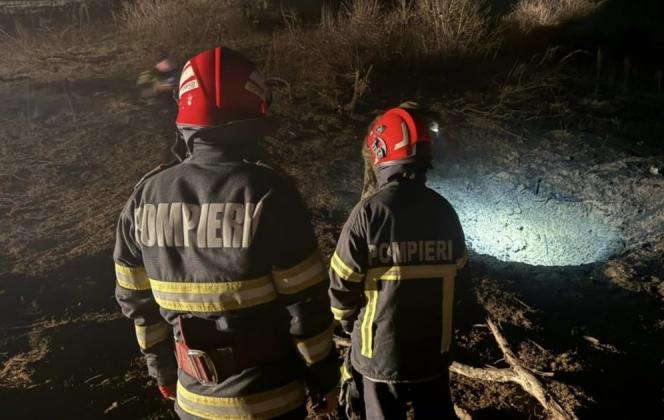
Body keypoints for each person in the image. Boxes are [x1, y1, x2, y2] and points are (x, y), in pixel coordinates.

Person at [113, 46, 339, 419]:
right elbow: (305, 304)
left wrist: (162, 372)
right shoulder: (268, 192)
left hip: (193, 402)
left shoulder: (144, 196)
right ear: (252, 119)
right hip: (271, 402)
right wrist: (324, 377)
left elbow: (136, 302)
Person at [329, 105, 469, 419]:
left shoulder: (368, 213)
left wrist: (350, 325)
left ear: (380, 154)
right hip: (433, 355)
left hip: (379, 357)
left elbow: (341, 286)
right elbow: (463, 284)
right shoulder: (445, 210)